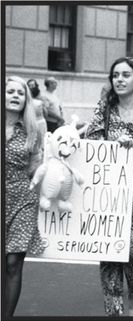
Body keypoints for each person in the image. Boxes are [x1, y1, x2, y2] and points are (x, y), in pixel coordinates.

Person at [86, 57, 133, 316]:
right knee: (110, 247)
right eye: (115, 75)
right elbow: (90, 141)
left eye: (125, 75)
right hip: (110, 184)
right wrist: (113, 143)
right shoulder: (104, 109)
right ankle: (114, 309)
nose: (119, 79)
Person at [5, 76, 44, 316]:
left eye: (20, 93)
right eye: (10, 91)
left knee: (12, 263)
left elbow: (35, 167)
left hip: (23, 199)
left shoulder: (33, 129)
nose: (15, 95)